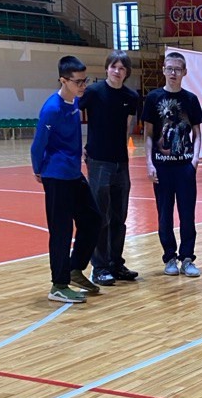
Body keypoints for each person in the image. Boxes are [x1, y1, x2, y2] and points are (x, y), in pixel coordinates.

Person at [30, 56, 101, 304]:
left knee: (92, 219)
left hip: (73, 173)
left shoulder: (75, 101)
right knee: (61, 230)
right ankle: (58, 285)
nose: (83, 86)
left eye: (85, 80)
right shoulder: (52, 109)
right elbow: (38, 143)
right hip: (56, 175)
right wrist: (37, 169)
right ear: (63, 80)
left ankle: (74, 268)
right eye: (78, 82)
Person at [81, 51, 141, 286]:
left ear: (127, 73)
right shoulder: (93, 92)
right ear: (107, 68)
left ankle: (116, 263)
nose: (117, 71)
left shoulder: (131, 96)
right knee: (101, 216)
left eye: (122, 68)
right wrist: (79, 146)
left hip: (121, 163)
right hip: (98, 161)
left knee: (119, 216)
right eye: (114, 66)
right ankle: (100, 267)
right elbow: (74, 113)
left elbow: (127, 126)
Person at [142, 50, 202, 277]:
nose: (173, 73)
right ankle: (169, 257)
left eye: (178, 69)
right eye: (170, 69)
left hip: (184, 167)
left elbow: (197, 133)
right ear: (163, 70)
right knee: (164, 214)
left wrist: (195, 159)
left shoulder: (191, 99)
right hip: (162, 167)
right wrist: (149, 163)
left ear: (185, 72)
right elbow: (148, 134)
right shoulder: (153, 98)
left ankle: (187, 258)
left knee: (187, 214)